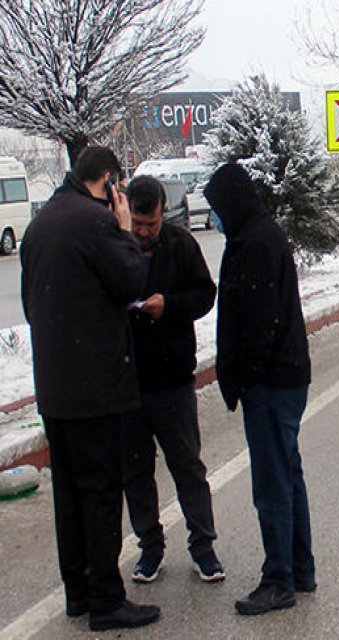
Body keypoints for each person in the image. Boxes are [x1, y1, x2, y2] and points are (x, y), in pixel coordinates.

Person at [19, 146, 160, 631]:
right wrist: (124, 232)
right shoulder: (96, 222)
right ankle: (107, 599)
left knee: (71, 497)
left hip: (54, 388)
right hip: (95, 386)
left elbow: (31, 304)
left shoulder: (40, 226)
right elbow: (131, 280)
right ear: (108, 182)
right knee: (100, 492)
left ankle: (78, 592)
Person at [202, 163, 315, 616]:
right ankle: (299, 569)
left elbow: (259, 323)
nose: (214, 218)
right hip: (282, 377)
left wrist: (243, 376)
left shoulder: (256, 243)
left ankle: (279, 580)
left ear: (232, 202)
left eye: (216, 209)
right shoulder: (256, 236)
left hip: (271, 382)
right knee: (287, 474)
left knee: (272, 484)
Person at [121, 175, 223, 584]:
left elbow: (204, 294)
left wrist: (171, 305)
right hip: (126, 382)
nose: (144, 232)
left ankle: (203, 546)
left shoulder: (182, 245)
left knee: (187, 466)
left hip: (173, 379)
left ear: (165, 214)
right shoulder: (114, 246)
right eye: (138, 224)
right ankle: (149, 547)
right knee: (135, 471)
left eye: (152, 224)